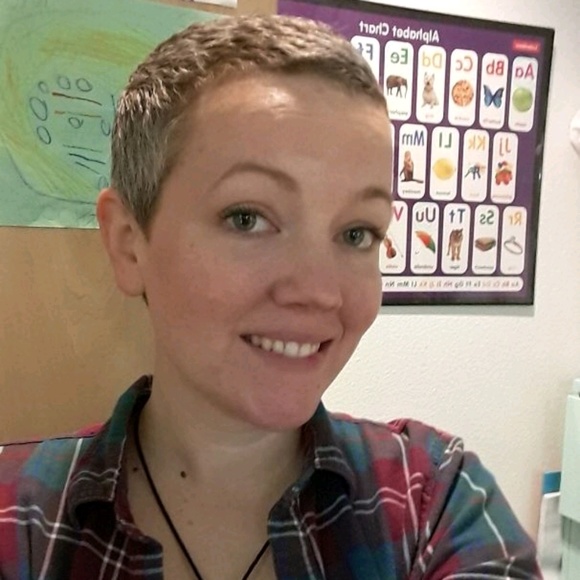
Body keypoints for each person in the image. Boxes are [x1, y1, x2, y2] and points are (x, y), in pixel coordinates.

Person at [0, 14, 541, 580]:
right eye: (248, 218)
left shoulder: (431, 502)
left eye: (357, 233)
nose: (319, 293)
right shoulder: (21, 520)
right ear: (129, 243)